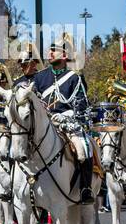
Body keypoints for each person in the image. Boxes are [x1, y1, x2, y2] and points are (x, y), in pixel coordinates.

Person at [30, 34, 95, 203]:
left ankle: (85, 189)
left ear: (64, 55)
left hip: (67, 124)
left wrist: (69, 119)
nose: (50, 53)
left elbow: (81, 107)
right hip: (44, 124)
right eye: (49, 50)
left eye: (54, 50)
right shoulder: (39, 77)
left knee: (84, 149)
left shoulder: (75, 78)